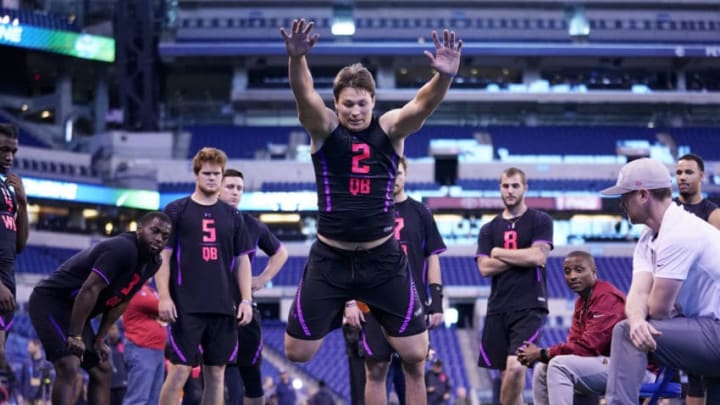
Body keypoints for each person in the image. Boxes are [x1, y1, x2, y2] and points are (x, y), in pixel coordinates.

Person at [280, 17, 461, 405]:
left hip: (383, 258)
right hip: (331, 258)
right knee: (297, 352)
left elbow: (422, 105)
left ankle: (369, 314)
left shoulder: (390, 128)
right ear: (337, 104)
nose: (356, 111)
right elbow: (304, 97)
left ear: (374, 102)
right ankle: (335, 313)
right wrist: (296, 60)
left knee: (414, 353)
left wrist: (443, 78)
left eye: (363, 103)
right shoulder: (324, 129)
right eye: (348, 104)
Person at [599, 157, 720, 404]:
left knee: (625, 334)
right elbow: (638, 294)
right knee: (631, 326)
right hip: (706, 326)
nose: (622, 202)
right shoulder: (649, 236)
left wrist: (636, 322)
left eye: (626, 195)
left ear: (643, 195)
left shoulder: (680, 232)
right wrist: (635, 319)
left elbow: (658, 309)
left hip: (714, 329)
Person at [27, 211, 172, 405]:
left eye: (164, 236)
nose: (159, 239)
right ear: (139, 229)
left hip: (77, 310)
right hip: (52, 302)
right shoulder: (122, 249)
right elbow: (89, 289)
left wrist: (99, 338)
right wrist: (76, 336)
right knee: (70, 365)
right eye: (154, 231)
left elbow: (123, 299)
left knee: (103, 370)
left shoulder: (153, 263)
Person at [344, 156, 447, 404]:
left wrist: (437, 302)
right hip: (372, 302)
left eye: (398, 173)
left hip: (414, 303)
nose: (394, 178)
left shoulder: (421, 212)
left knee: (415, 369)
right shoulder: (367, 212)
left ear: (405, 175)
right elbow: (349, 258)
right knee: (376, 369)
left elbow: (432, 257)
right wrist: (350, 301)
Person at [157, 148, 255, 405]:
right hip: (185, 307)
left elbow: (243, 260)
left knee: (216, 373)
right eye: (207, 173)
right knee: (179, 370)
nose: (212, 178)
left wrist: (245, 299)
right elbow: (163, 257)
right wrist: (164, 297)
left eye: (217, 174)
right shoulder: (176, 210)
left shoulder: (233, 216)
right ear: (196, 175)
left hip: (223, 307)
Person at [475, 167, 553, 405]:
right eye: (505, 186)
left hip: (530, 305)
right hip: (499, 307)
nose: (510, 191)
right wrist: (521, 256)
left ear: (525, 188)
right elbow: (484, 268)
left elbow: (538, 257)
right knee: (506, 375)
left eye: (515, 185)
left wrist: (499, 253)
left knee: (516, 367)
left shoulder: (540, 220)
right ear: (500, 188)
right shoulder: (488, 229)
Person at [517, 251, 627, 405]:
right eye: (567, 271)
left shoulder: (606, 297)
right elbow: (575, 344)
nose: (572, 276)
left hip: (630, 368)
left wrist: (543, 352)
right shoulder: (581, 302)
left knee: (558, 365)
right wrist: (544, 356)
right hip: (608, 364)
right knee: (543, 368)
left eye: (579, 270)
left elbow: (588, 347)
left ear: (594, 272)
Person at [219, 168, 289, 405]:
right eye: (230, 186)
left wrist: (260, 279)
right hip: (214, 307)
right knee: (217, 373)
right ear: (217, 187)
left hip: (245, 309)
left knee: (252, 375)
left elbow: (280, 253)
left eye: (239, 188)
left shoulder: (252, 225)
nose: (235, 192)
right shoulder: (204, 222)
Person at [674, 152, 718, 404]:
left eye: (688, 172)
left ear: (701, 175)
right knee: (686, 374)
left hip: (704, 303)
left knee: (702, 373)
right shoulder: (668, 211)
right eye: (679, 172)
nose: (682, 177)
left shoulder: (712, 213)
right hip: (674, 297)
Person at [0, 123, 29, 383]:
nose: (9, 156)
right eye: (3, 150)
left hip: (8, 279)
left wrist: (22, 202)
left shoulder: (8, 188)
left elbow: (20, 245)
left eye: (13, 151)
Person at [121, 279, 166, 405]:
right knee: (138, 399)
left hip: (156, 349)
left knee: (154, 399)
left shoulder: (150, 290)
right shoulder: (135, 290)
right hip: (141, 348)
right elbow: (163, 308)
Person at [18, 338, 53, 405]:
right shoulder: (26, 363)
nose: (28, 349)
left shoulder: (46, 365)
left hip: (40, 400)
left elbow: (48, 382)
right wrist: (20, 394)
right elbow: (22, 380)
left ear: (37, 346)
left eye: (30, 347)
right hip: (26, 399)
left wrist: (48, 399)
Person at [107, 323, 127, 405]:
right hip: (109, 385)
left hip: (123, 384)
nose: (112, 332)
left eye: (114, 328)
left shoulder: (124, 344)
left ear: (118, 330)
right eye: (110, 329)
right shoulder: (104, 346)